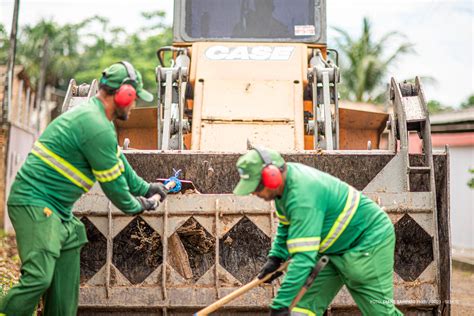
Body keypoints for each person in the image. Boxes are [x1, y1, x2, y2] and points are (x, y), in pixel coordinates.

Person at [0, 61, 168, 316]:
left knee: (65, 280)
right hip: (34, 204)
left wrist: (147, 187)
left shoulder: (99, 121)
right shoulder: (96, 126)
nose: (134, 106)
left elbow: (120, 165)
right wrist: (142, 205)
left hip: (59, 211)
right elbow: (116, 191)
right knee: (38, 278)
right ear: (124, 95)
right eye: (134, 99)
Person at [233, 147, 403, 316]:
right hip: (332, 251)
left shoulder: (303, 196)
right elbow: (286, 225)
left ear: (272, 177)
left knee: (380, 313)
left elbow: (303, 258)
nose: (254, 193)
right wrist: (276, 258)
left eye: (256, 187)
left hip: (368, 241)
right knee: (300, 311)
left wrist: (280, 305)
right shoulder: (282, 192)